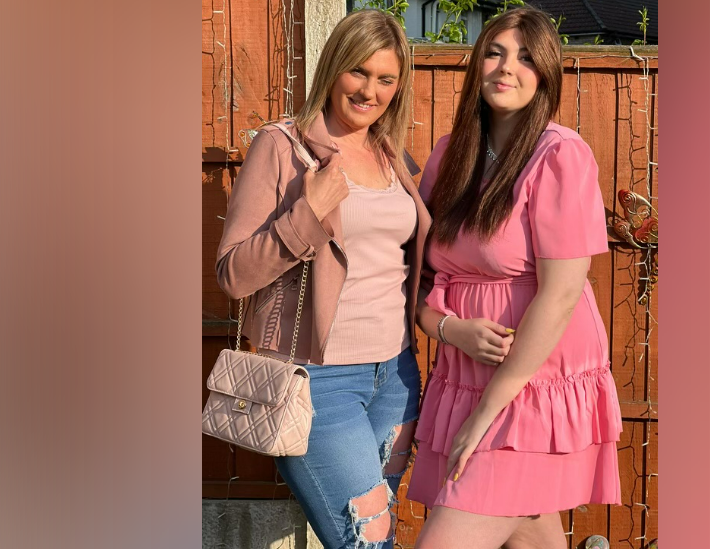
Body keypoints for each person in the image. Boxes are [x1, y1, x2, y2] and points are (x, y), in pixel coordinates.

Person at [406, 7, 623, 549]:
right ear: (477, 64)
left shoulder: (561, 155)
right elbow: (423, 277)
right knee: (527, 531)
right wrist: (447, 328)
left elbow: (563, 292)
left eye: (526, 57)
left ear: (546, 74)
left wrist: (489, 408)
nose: (507, 67)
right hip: (463, 371)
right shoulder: (450, 155)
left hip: (530, 382)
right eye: (496, 52)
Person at [215, 10, 431, 549]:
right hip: (321, 384)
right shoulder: (282, 147)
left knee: (377, 533)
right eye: (358, 72)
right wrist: (306, 213)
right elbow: (233, 274)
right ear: (332, 68)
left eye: (386, 78)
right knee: (366, 543)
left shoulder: (391, 154)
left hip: (397, 378)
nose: (369, 90)